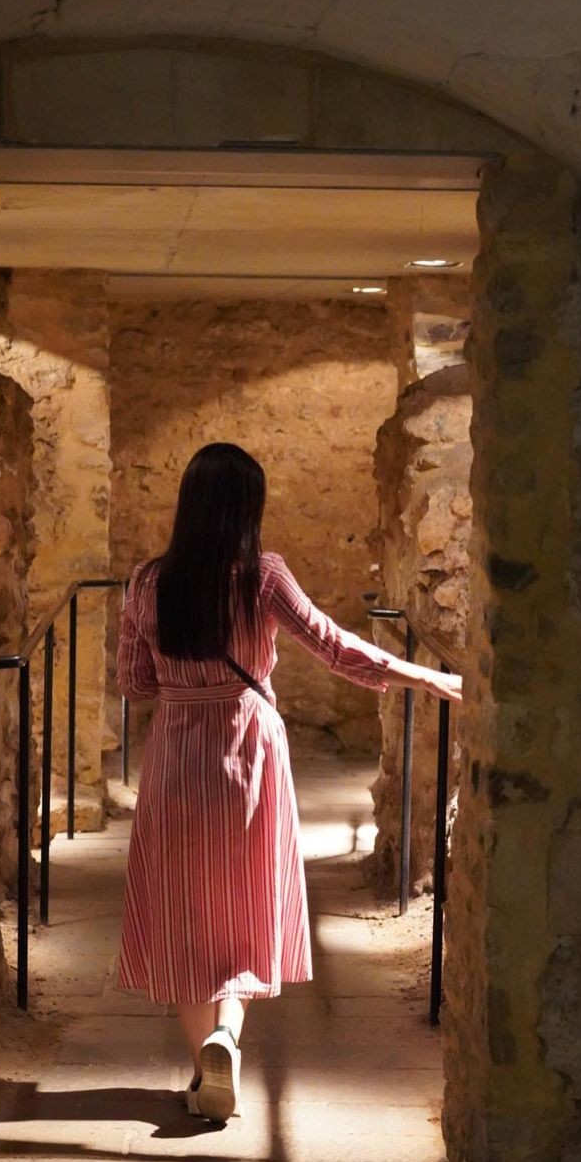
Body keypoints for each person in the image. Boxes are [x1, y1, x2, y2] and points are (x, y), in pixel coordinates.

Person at [116, 442, 463, 1123]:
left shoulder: (146, 583)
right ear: (248, 509)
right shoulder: (263, 576)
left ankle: (202, 1075)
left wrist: (185, 684)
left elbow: (133, 682)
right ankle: (227, 1033)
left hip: (177, 755)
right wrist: (425, 675)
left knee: (185, 913)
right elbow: (334, 647)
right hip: (249, 747)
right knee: (246, 902)